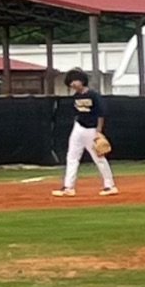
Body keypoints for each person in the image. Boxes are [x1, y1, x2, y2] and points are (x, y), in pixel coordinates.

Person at [52, 68, 119, 198]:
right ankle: (68, 187)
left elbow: (101, 114)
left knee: (98, 157)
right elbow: (78, 113)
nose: (72, 84)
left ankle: (110, 186)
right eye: (69, 82)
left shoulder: (93, 95)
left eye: (73, 81)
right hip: (79, 128)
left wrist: (99, 131)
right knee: (72, 157)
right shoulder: (76, 96)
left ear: (81, 80)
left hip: (92, 129)